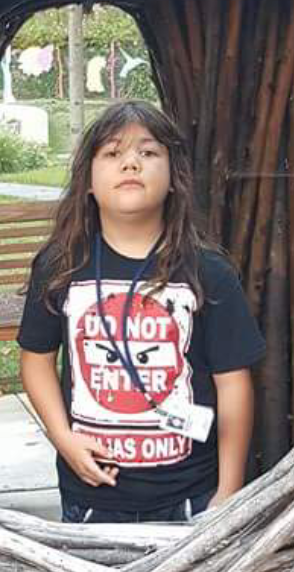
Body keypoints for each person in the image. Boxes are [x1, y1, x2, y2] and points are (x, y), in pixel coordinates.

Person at [17, 102, 265, 524]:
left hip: (190, 496)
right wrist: (64, 439)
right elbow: (35, 359)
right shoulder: (61, 266)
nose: (130, 163)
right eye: (113, 154)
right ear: (89, 182)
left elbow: (233, 384)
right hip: (93, 497)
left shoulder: (207, 272)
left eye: (148, 153)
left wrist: (228, 490)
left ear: (174, 179)